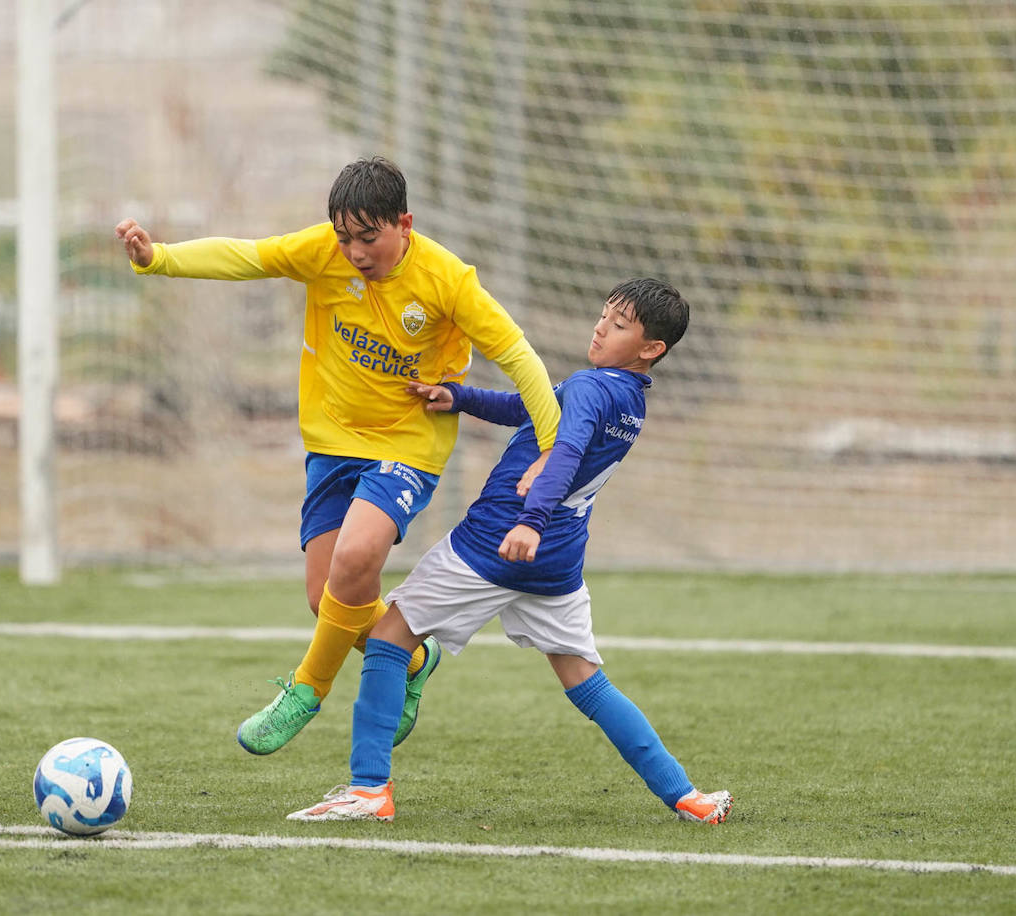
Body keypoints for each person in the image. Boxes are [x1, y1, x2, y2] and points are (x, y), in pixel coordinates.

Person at [116, 157, 561, 755]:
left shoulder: (448, 280)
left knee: (356, 556)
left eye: (368, 238)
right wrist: (158, 258)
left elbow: (518, 356)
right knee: (325, 596)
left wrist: (555, 449)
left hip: (408, 443)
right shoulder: (323, 251)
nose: (353, 252)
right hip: (331, 442)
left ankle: (305, 690)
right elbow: (249, 257)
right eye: (345, 238)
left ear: (404, 223)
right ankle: (410, 660)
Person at [287, 278, 734, 825]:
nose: (600, 327)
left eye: (618, 325)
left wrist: (529, 522)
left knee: (389, 636)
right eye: (603, 315)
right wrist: (462, 397)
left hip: (496, 543)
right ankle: (687, 797)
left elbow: (563, 452)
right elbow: (534, 409)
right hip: (559, 563)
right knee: (587, 680)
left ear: (651, 349)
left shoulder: (594, 389)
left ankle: (368, 789)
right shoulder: (627, 399)